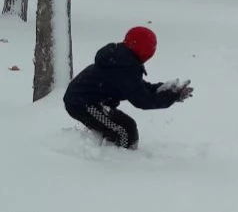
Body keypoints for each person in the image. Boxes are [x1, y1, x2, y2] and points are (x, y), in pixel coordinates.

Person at [63, 26, 193, 149]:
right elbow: (143, 100)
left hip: (86, 100)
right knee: (125, 130)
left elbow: (138, 87)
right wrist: (171, 95)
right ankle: (119, 159)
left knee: (120, 126)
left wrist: (164, 89)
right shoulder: (124, 66)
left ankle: (108, 147)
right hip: (83, 104)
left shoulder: (122, 59)